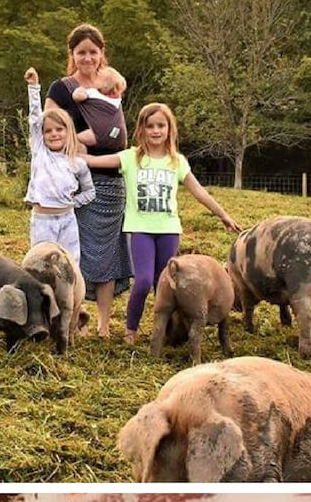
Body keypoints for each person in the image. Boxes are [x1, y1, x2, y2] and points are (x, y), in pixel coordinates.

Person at [84, 101, 243, 345]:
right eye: (150, 126)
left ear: (170, 129)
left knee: (166, 285)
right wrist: (66, 150)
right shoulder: (130, 158)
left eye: (161, 125)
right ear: (141, 129)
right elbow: (94, 161)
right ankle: (131, 329)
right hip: (140, 230)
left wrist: (223, 215)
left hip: (169, 231)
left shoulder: (177, 161)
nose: (156, 130)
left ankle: (166, 332)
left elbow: (199, 192)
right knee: (143, 281)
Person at [46, 23, 130, 335]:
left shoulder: (110, 85)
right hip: (71, 182)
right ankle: (76, 315)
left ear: (101, 53)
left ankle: (104, 324)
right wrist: (74, 143)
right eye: (81, 52)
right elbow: (48, 128)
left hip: (109, 181)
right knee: (71, 250)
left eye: (93, 52)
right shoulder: (61, 89)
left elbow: (116, 132)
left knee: (107, 252)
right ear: (72, 54)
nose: (87, 58)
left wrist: (91, 144)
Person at [21, 68, 95, 259]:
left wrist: (73, 202)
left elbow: (89, 191)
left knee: (71, 262)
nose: (54, 134)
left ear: (68, 132)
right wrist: (33, 87)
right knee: (41, 263)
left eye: (59, 129)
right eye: (48, 131)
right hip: (42, 220)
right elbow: (35, 120)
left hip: (68, 219)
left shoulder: (77, 163)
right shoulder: (40, 152)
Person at [71, 66, 128, 154]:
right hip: (116, 134)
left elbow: (77, 97)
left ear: (104, 85)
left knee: (73, 139)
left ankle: (82, 158)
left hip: (96, 132)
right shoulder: (117, 100)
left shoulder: (93, 92)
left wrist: (79, 90)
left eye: (97, 78)